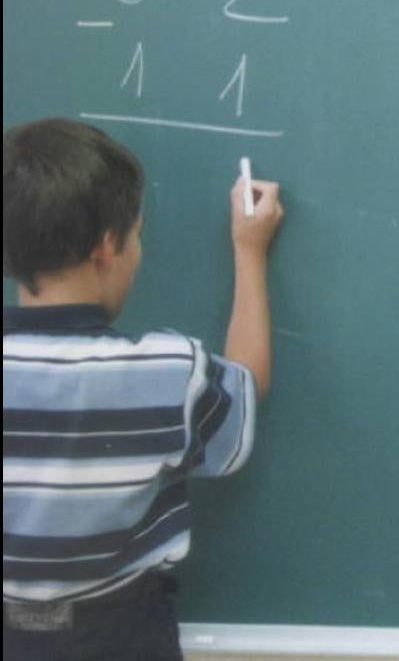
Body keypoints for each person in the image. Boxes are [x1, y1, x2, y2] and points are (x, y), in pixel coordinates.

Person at [2, 117, 284, 660]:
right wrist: (250, 252)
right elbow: (247, 386)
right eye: (138, 234)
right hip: (122, 638)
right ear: (109, 245)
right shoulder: (166, 373)